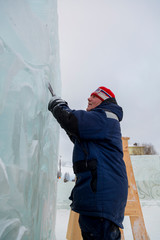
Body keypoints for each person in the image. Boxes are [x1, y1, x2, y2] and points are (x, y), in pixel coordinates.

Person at [48, 86, 128, 240]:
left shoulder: (105, 116)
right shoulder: (100, 122)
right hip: (100, 200)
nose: (89, 99)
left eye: (94, 96)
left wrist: (59, 105)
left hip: (101, 201)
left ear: (104, 100)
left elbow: (72, 121)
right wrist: (62, 112)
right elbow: (75, 130)